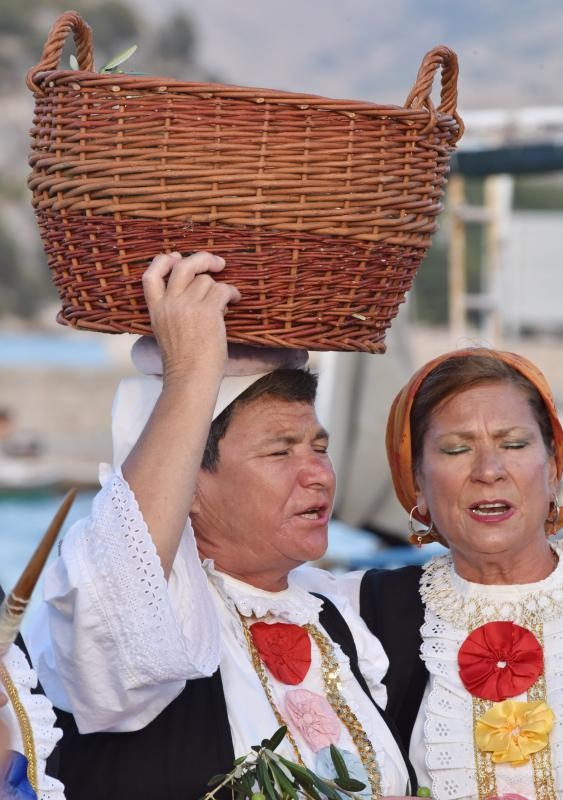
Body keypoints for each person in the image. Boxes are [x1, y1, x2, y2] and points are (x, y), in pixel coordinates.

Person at [28, 251, 415, 799]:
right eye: (280, 452)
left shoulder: (337, 614)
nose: (318, 475)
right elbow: (113, 593)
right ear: (189, 485)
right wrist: (191, 373)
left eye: (319, 446)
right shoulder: (149, 624)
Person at [310, 347, 563, 800]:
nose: (489, 470)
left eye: (514, 444)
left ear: (555, 470)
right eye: (456, 449)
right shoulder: (358, 611)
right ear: (418, 486)